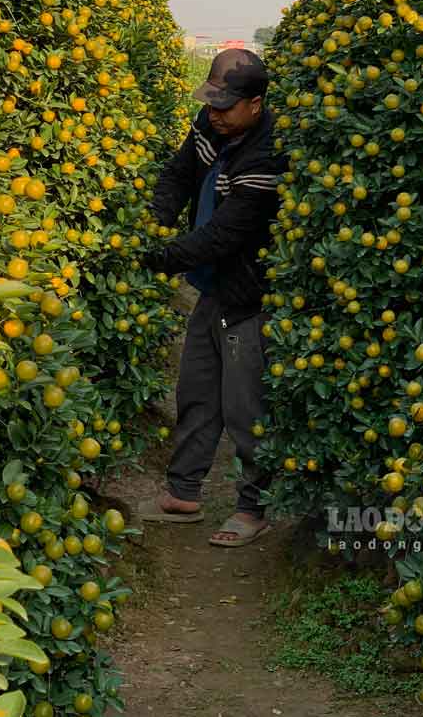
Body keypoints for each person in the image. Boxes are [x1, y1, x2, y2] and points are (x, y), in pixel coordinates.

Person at [138, 48, 283, 548]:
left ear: (256, 104)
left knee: (246, 407)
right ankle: (183, 494)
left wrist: (158, 256)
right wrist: (156, 218)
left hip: (248, 293)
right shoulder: (210, 124)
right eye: (212, 103)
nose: (215, 113)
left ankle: (252, 507)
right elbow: (179, 173)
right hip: (211, 286)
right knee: (196, 389)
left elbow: (227, 234)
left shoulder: (267, 154)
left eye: (226, 106)